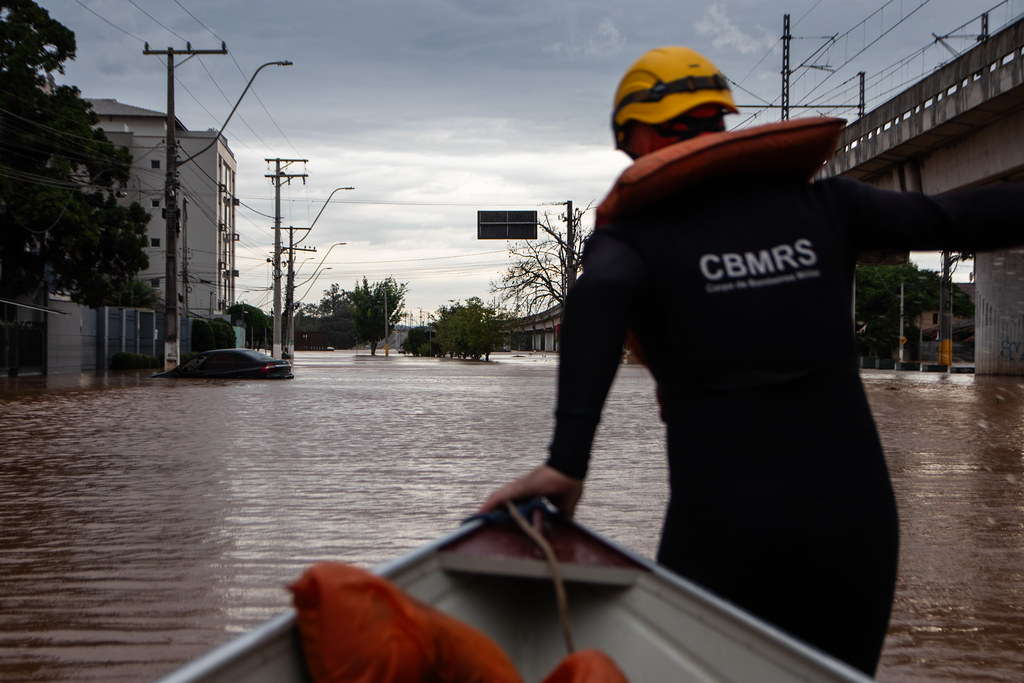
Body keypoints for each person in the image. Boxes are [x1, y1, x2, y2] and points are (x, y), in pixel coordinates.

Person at [479, 46, 1024, 677]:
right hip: (855, 526)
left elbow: (596, 299)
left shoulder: (634, 240)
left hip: (724, 527)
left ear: (642, 135)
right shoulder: (828, 208)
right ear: (717, 119)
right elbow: (958, 215)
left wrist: (566, 465)